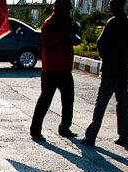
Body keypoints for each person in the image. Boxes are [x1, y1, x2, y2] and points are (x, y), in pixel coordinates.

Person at [80, 0, 128, 147]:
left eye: (111, 2)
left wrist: (106, 58)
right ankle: (124, 135)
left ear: (117, 5)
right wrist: (126, 57)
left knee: (101, 103)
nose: (109, 5)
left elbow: (101, 44)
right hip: (124, 68)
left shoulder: (113, 22)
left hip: (111, 68)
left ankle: (91, 135)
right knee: (123, 103)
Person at [30, 0, 76, 141]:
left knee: (68, 100)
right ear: (59, 7)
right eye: (66, 6)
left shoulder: (67, 22)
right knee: (45, 101)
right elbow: (47, 42)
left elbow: (73, 40)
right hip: (51, 69)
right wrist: (64, 34)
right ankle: (35, 130)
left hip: (65, 68)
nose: (69, 9)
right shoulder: (49, 23)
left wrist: (73, 35)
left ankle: (65, 127)